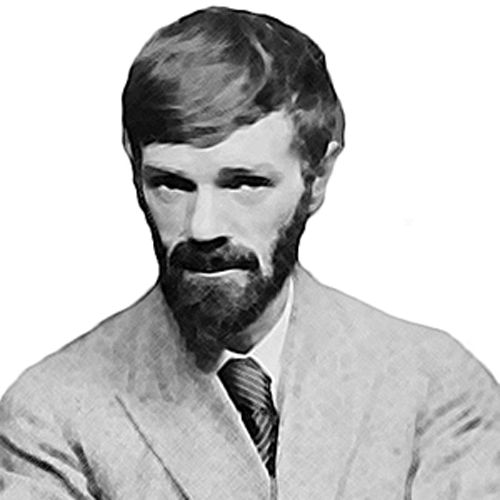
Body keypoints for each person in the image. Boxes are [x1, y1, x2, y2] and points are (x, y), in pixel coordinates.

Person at [1, 6, 500, 499]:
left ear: (317, 178)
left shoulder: (436, 386)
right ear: (135, 172)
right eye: (171, 184)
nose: (203, 228)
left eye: (244, 184)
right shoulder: (50, 414)